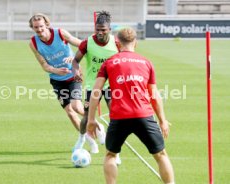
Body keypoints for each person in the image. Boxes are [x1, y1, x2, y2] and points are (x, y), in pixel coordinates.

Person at [87, 27, 175, 184]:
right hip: (144, 115)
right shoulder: (146, 62)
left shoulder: (109, 63)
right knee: (161, 154)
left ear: (117, 43)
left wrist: (91, 119)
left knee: (110, 155)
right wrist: (162, 120)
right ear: (135, 42)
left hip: (119, 117)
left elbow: (95, 92)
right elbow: (154, 95)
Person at [29, 13, 89, 151]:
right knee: (70, 112)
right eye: (36, 27)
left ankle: (95, 125)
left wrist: (75, 58)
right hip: (57, 80)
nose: (39, 30)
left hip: (74, 74)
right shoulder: (33, 43)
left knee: (77, 108)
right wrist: (56, 71)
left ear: (47, 25)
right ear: (32, 28)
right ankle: (85, 138)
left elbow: (81, 45)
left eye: (41, 26)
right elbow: (44, 65)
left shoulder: (60, 33)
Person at [72, 11, 120, 157]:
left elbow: (124, 60)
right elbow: (75, 61)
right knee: (86, 117)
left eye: (103, 30)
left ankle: (114, 152)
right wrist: (76, 71)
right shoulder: (87, 42)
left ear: (109, 30)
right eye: (97, 29)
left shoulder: (117, 43)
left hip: (111, 86)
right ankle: (81, 139)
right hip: (92, 86)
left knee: (115, 117)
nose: (99, 32)